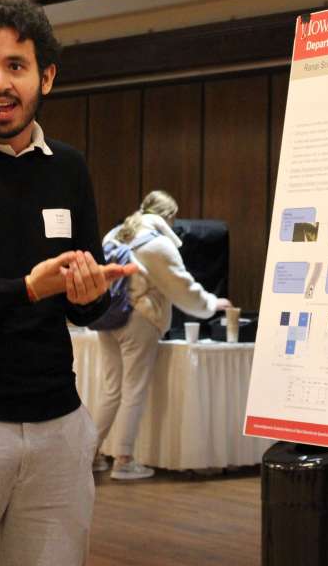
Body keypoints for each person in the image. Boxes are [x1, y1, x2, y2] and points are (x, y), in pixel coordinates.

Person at [0, 0, 130, 566]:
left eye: (15, 66)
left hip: (60, 428)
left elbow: (79, 310)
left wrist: (91, 295)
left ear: (45, 76)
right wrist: (26, 287)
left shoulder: (67, 167)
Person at [91, 190, 232, 480]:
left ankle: (89, 455)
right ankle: (124, 460)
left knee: (111, 390)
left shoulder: (114, 235)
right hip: (138, 319)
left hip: (107, 317)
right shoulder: (157, 245)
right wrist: (211, 304)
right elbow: (182, 287)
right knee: (133, 390)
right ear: (169, 217)